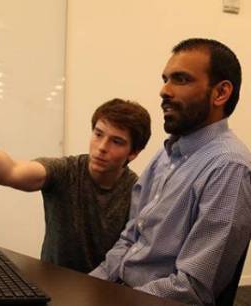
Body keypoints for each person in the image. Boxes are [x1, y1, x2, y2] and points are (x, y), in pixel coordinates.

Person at [90, 38, 251, 305]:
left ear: (220, 93)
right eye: (165, 79)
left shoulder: (228, 167)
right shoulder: (166, 154)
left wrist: (114, 299)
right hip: (120, 291)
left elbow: (192, 289)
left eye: (181, 79)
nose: (164, 90)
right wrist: (86, 286)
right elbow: (129, 240)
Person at [0, 98, 151, 273]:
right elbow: (12, 171)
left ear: (133, 152)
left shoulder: (138, 191)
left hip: (103, 291)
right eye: (98, 134)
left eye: (116, 141)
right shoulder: (66, 170)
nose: (102, 147)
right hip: (53, 281)